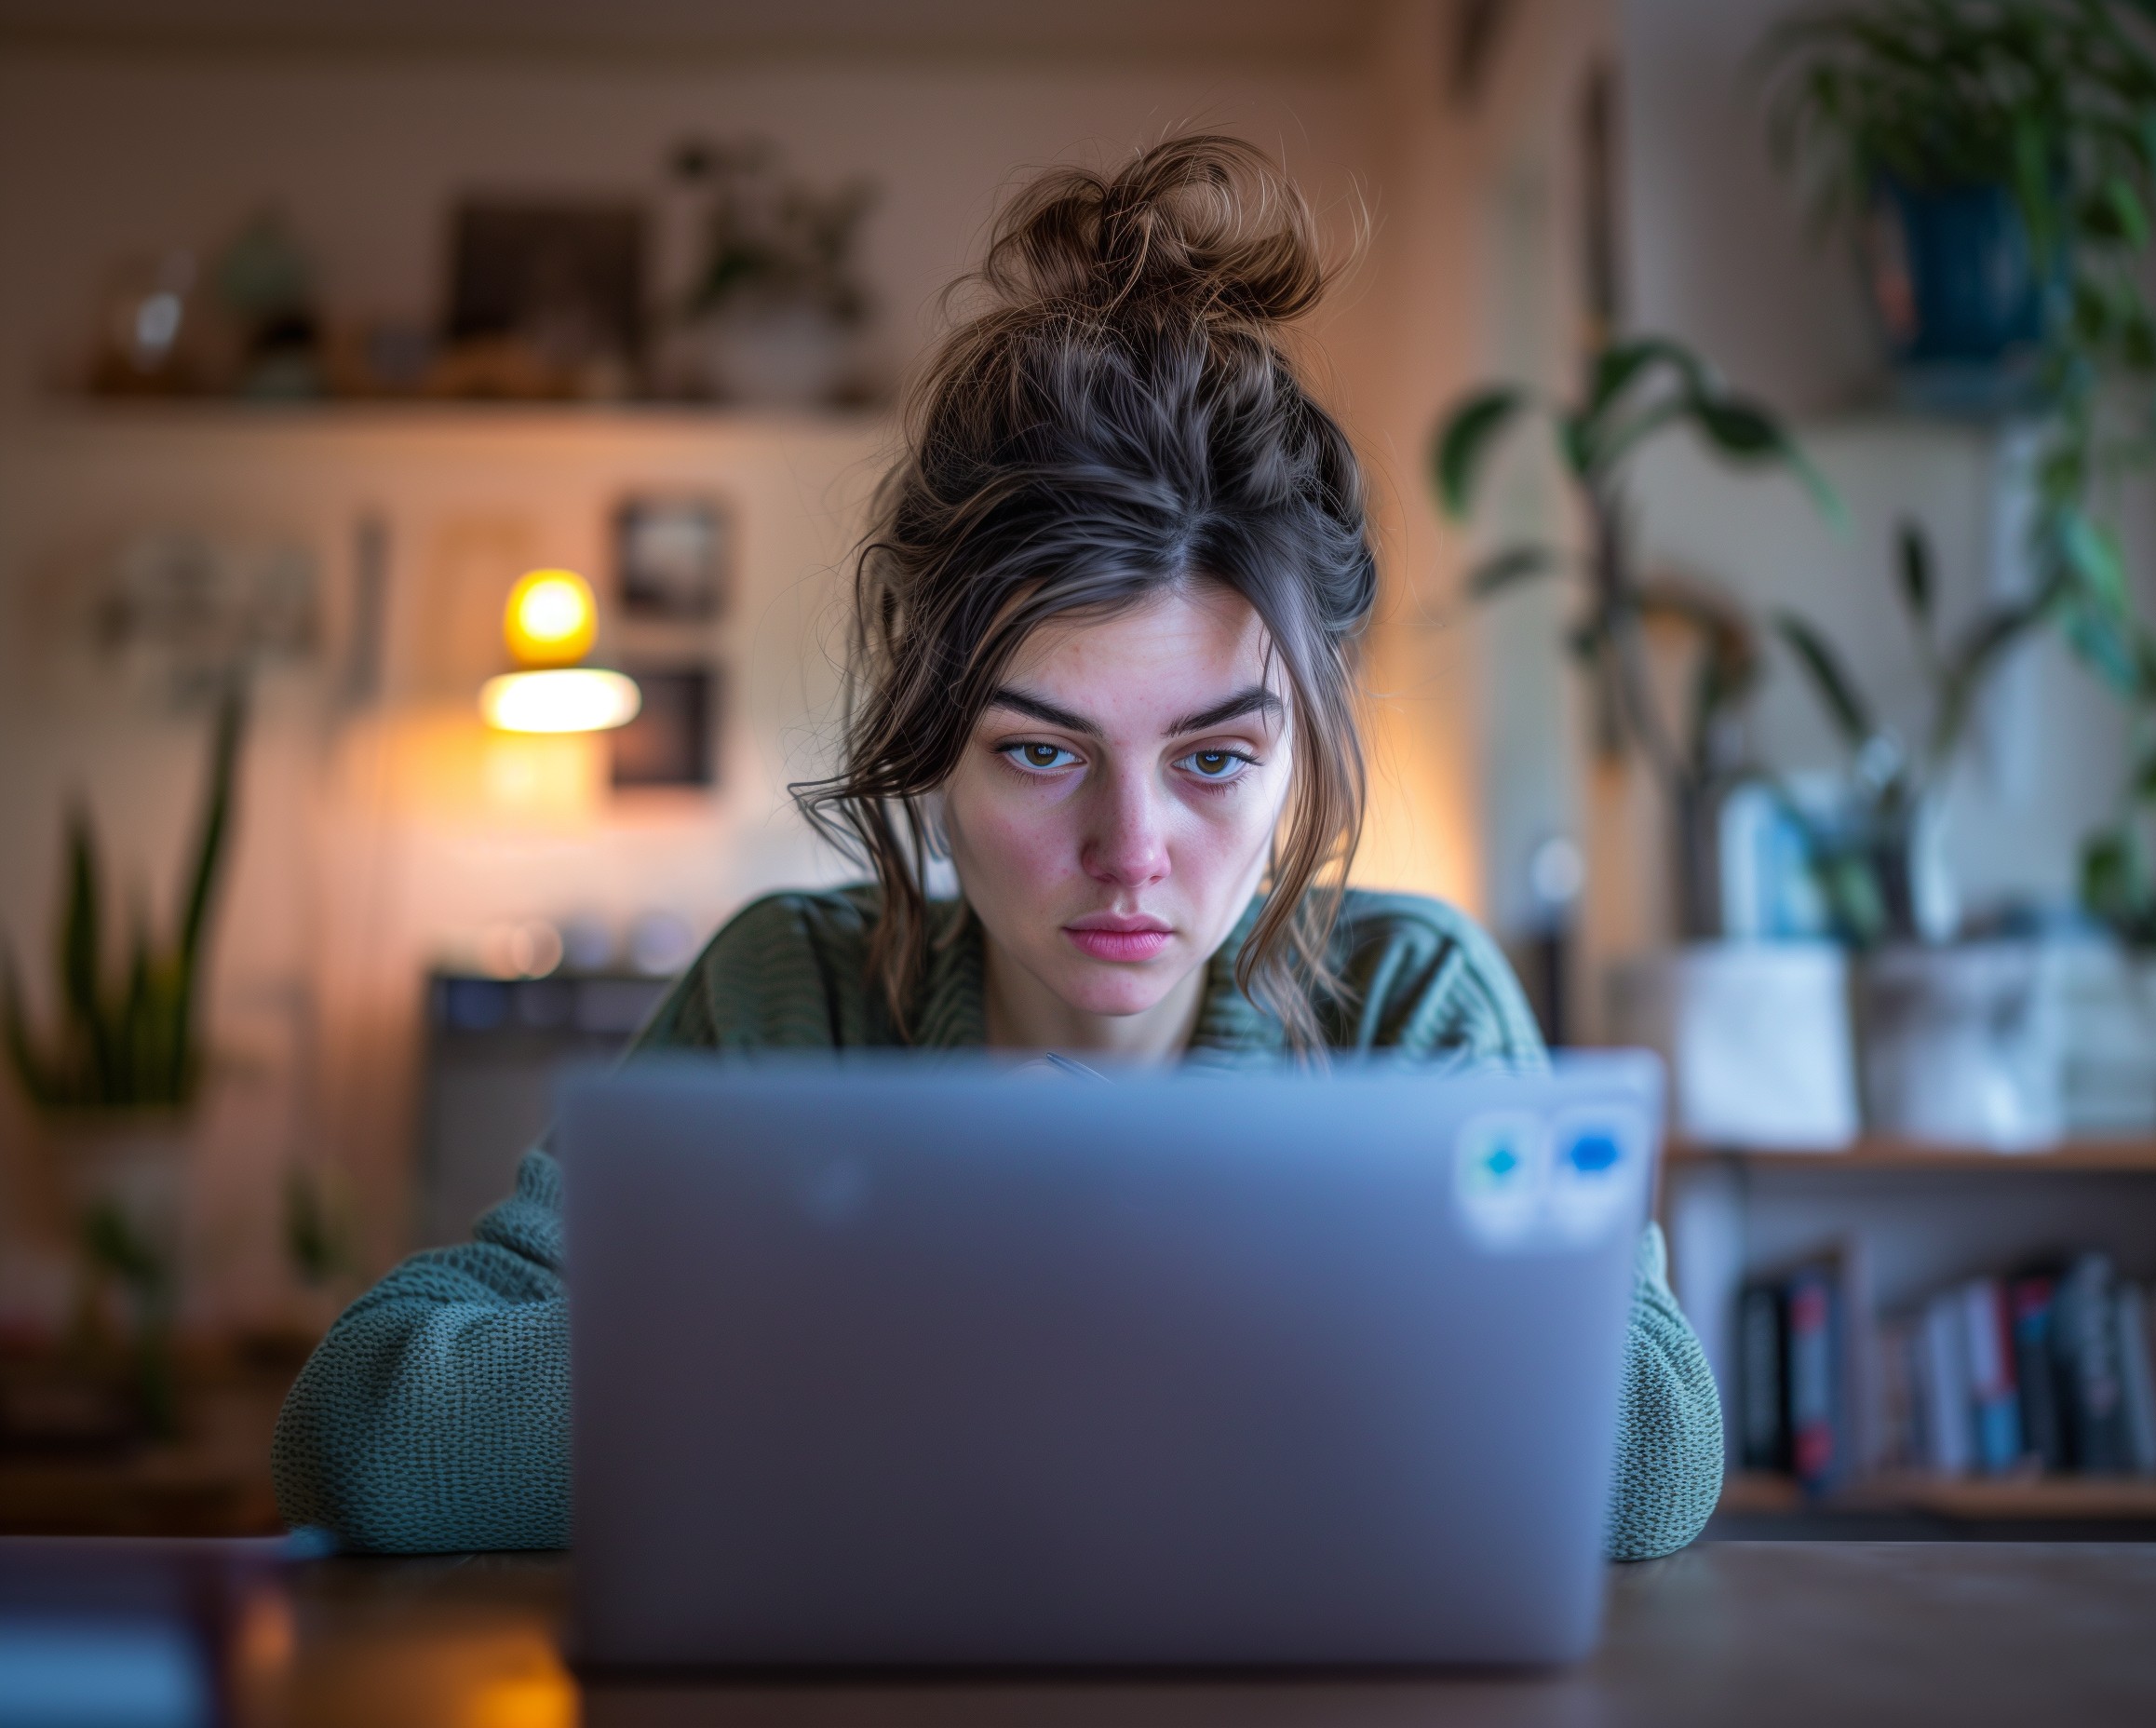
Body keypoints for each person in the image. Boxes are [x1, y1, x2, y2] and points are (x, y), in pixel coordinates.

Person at [272, 135, 1722, 1561]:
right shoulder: (791, 1003)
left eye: (1216, 759)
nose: (1132, 851)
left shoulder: (1408, 1011)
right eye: (1041, 752)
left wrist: (1157, 1262)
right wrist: (924, 1300)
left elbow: (1650, 1460)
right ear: (932, 736)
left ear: (1307, 743)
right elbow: (367, 1436)